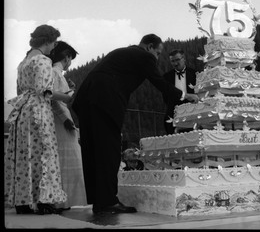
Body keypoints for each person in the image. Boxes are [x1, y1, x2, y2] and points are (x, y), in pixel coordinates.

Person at [71, 34, 199, 214]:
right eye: (158, 53)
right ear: (150, 47)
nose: (156, 58)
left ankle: (99, 201)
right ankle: (108, 202)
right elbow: (158, 81)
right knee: (109, 150)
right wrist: (186, 96)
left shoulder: (123, 52)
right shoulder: (144, 56)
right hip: (105, 100)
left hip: (86, 99)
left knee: (93, 150)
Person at [4, 25, 71, 215]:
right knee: (44, 153)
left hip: (23, 111)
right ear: (47, 40)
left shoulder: (24, 62)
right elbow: (45, 91)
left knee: (25, 155)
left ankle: (23, 201)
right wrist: (67, 97)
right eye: (54, 42)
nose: (54, 46)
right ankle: (43, 200)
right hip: (38, 111)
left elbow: (21, 90)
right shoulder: (43, 60)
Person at [49, 41, 87, 210]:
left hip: (60, 118)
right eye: (70, 58)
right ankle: (62, 200)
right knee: (66, 156)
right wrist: (66, 119)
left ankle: (60, 199)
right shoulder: (56, 73)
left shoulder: (57, 74)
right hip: (60, 119)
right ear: (66, 57)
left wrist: (69, 89)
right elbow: (54, 100)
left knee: (63, 157)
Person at [163, 49, 197, 134]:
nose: (175, 63)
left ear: (184, 59)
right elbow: (165, 97)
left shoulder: (195, 74)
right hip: (174, 111)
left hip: (192, 110)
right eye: (172, 61)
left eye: (177, 60)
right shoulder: (166, 77)